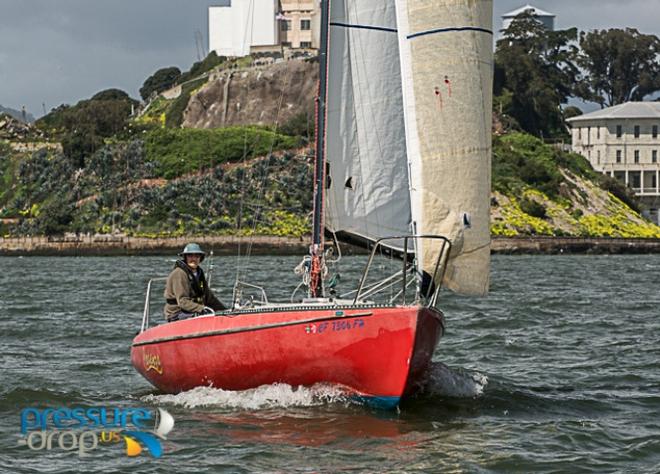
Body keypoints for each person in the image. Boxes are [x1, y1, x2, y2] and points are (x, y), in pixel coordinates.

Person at [164, 243, 226, 322]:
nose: (193, 259)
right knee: (206, 317)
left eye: (197, 256)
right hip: (177, 313)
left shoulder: (199, 274)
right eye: (190, 256)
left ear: (200, 258)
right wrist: (202, 308)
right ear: (185, 257)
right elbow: (183, 301)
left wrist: (225, 310)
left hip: (192, 310)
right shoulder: (179, 274)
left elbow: (209, 297)